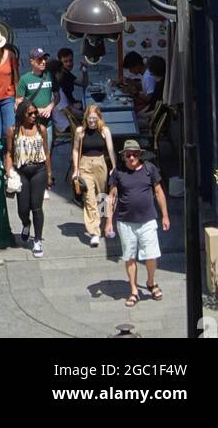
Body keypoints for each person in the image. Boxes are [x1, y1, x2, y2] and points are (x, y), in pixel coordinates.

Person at [106, 139, 170, 306]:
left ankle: (150, 282)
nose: (132, 157)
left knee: (151, 255)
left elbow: (159, 192)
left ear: (140, 155)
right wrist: (108, 222)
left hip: (148, 220)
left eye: (135, 154)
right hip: (125, 222)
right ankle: (134, 290)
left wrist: (165, 216)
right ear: (124, 156)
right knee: (129, 256)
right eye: (128, 154)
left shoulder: (150, 169)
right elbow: (111, 197)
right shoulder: (118, 172)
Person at [4, 100, 52, 256]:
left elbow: (46, 152)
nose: (33, 116)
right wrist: (8, 171)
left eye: (35, 113)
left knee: (36, 207)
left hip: (39, 170)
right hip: (22, 171)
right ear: (22, 114)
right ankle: (26, 223)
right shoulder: (14, 131)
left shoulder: (41, 129)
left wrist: (49, 174)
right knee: (23, 208)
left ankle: (37, 241)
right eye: (29, 113)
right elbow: (9, 153)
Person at [72, 103, 117, 246]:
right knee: (89, 198)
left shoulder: (104, 131)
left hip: (100, 165)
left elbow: (110, 149)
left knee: (101, 197)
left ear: (99, 118)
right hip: (85, 165)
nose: (92, 122)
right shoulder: (80, 131)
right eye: (89, 118)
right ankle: (95, 232)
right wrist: (76, 169)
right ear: (86, 118)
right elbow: (75, 149)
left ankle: (105, 223)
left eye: (94, 119)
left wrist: (114, 167)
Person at [16, 48, 56, 124]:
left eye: (45, 59)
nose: (43, 62)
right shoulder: (24, 79)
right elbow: (18, 101)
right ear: (32, 61)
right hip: (31, 122)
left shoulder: (50, 76)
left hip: (48, 121)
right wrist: (35, 110)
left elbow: (57, 97)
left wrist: (49, 107)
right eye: (40, 59)